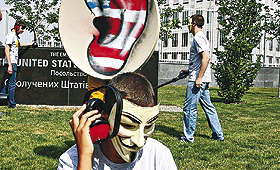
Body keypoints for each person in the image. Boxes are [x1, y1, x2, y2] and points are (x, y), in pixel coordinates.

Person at [58, 72, 177, 170]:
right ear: (103, 116)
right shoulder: (71, 161)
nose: (139, 142)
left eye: (148, 127)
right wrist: (85, 156)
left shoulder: (159, 155)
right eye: (128, 125)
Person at [180, 14, 224, 143]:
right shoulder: (201, 37)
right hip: (201, 79)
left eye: (189, 22)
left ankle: (188, 137)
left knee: (189, 108)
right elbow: (201, 60)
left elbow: (206, 57)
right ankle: (218, 134)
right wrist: (189, 70)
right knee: (208, 106)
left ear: (193, 23)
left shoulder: (198, 38)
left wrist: (198, 78)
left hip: (197, 81)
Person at [1, 21, 32, 108]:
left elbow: (19, 44)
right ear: (17, 27)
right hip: (11, 62)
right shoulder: (11, 36)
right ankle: (12, 104)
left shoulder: (15, 37)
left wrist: (30, 44)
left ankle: (1, 98)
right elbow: (6, 50)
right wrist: (10, 65)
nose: (23, 31)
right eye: (22, 28)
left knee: (10, 83)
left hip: (13, 62)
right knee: (12, 84)